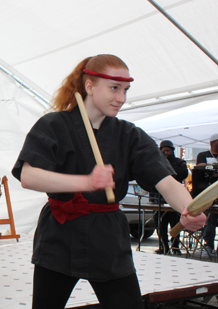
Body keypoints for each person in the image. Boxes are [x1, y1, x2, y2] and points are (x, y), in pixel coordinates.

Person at [11, 54, 206, 309]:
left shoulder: (130, 134)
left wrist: (188, 209)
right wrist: (86, 182)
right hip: (60, 233)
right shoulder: (53, 125)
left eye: (125, 89)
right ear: (89, 86)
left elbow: (165, 181)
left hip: (108, 236)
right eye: (114, 88)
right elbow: (28, 176)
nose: (121, 98)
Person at [152, 140, 188, 255]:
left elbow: (181, 174)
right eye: (163, 151)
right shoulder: (157, 162)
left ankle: (175, 246)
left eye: (167, 150)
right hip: (159, 198)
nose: (165, 152)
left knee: (175, 223)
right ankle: (163, 246)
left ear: (172, 151)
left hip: (174, 197)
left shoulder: (179, 162)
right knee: (160, 224)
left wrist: (167, 165)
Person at [196, 133, 218, 257]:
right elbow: (200, 168)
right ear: (214, 142)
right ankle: (208, 245)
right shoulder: (203, 155)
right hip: (208, 194)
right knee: (210, 218)